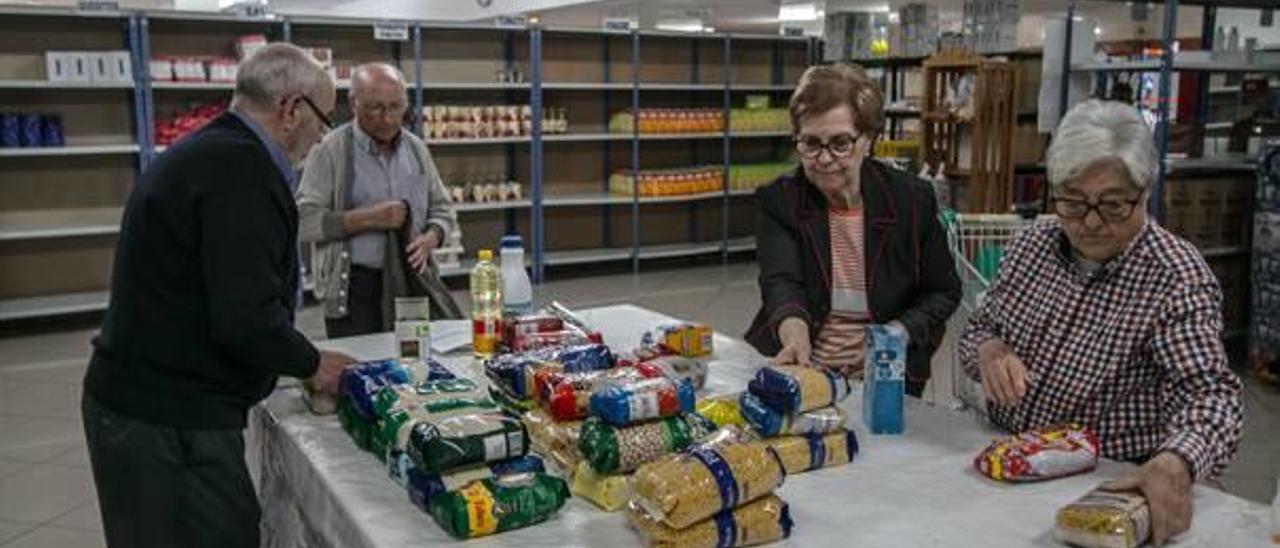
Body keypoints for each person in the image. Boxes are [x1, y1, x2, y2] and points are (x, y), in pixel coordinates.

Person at [82, 43, 356, 548]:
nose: (323, 137)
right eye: (324, 118)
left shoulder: (214, 151)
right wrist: (313, 362)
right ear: (291, 109)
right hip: (167, 420)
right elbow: (244, 316)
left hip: (148, 404)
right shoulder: (241, 172)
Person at [958, 99, 1244, 546]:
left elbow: (1211, 394)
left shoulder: (1174, 277)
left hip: (1104, 487)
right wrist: (990, 350)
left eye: (1112, 206)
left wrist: (1177, 461)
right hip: (1008, 464)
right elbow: (978, 328)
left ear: (1145, 193)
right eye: (1073, 202)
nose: (1089, 224)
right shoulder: (1033, 245)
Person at [745, 63, 961, 397]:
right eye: (811, 143)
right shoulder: (780, 200)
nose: (825, 158)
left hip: (886, 370)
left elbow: (943, 291)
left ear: (869, 140)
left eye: (840, 143)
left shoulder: (911, 199)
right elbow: (781, 282)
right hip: (804, 366)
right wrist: (795, 337)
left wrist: (891, 337)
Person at [297, 63, 458, 338]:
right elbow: (302, 220)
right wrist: (367, 219)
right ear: (353, 103)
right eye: (375, 108)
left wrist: (433, 236)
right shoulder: (329, 151)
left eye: (396, 107)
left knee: (413, 365)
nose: (386, 118)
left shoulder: (416, 149)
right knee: (361, 369)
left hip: (410, 283)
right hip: (354, 291)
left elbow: (443, 209)